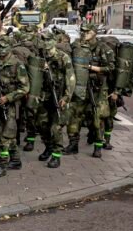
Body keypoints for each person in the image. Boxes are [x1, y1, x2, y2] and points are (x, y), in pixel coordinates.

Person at [63, 23, 114, 158]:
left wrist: (91, 68)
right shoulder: (76, 46)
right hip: (80, 86)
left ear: (94, 32)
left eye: (87, 31)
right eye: (82, 31)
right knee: (74, 116)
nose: (84, 33)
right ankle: (73, 144)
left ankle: (98, 146)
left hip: (97, 89)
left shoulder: (103, 48)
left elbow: (110, 68)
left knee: (98, 118)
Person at [0, 35, 30, 177]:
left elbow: (25, 88)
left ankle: (2, 164)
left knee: (4, 136)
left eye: (3, 48)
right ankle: (16, 159)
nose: (0, 50)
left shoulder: (18, 65)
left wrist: (8, 98)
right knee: (6, 133)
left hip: (11, 105)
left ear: (10, 48)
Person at [30, 30, 75, 168]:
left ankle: (56, 155)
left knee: (56, 127)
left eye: (49, 40)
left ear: (54, 41)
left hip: (59, 96)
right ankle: (48, 147)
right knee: (41, 125)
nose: (46, 43)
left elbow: (71, 78)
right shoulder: (40, 57)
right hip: (44, 97)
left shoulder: (63, 57)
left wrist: (66, 97)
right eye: (44, 40)